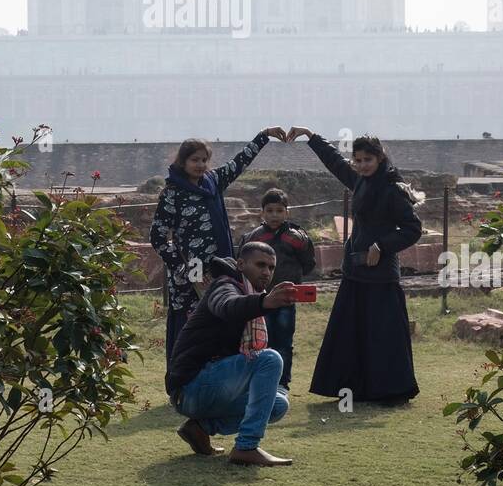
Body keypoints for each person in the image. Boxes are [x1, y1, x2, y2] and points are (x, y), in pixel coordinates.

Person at [287, 127, 422, 405]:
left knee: (382, 334)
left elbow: (412, 228)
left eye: (367, 160)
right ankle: (354, 389)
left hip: (382, 274)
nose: (361, 165)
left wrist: (381, 246)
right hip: (355, 271)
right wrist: (311, 137)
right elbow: (335, 161)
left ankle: (389, 391)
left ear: (380, 158)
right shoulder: (359, 180)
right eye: (358, 160)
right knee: (352, 332)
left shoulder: (392, 189)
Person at [149, 127, 287, 363]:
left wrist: (264, 135)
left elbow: (240, 161)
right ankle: (184, 382)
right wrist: (187, 270)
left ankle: (225, 376)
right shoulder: (172, 193)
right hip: (190, 275)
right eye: (194, 160)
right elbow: (158, 236)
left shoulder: (214, 181)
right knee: (190, 325)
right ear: (183, 162)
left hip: (221, 269)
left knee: (224, 317)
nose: (200, 165)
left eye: (204, 160)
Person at [165, 242, 297, 466]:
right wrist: (265, 302)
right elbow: (228, 306)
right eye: (260, 265)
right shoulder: (225, 285)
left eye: (271, 267)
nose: (266, 272)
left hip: (210, 388)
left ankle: (200, 428)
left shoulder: (253, 295)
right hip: (190, 388)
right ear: (241, 264)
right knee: (270, 358)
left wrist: (263, 301)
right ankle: (246, 447)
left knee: (278, 405)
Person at [238, 187, 316, 391]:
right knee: (260, 341)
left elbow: (308, 263)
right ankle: (260, 382)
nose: (274, 215)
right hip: (259, 300)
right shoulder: (253, 237)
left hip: (286, 299)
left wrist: (291, 280)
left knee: (283, 341)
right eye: (270, 210)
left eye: (279, 211)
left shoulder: (297, 238)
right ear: (262, 212)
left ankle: (282, 384)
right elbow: (243, 265)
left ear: (287, 212)